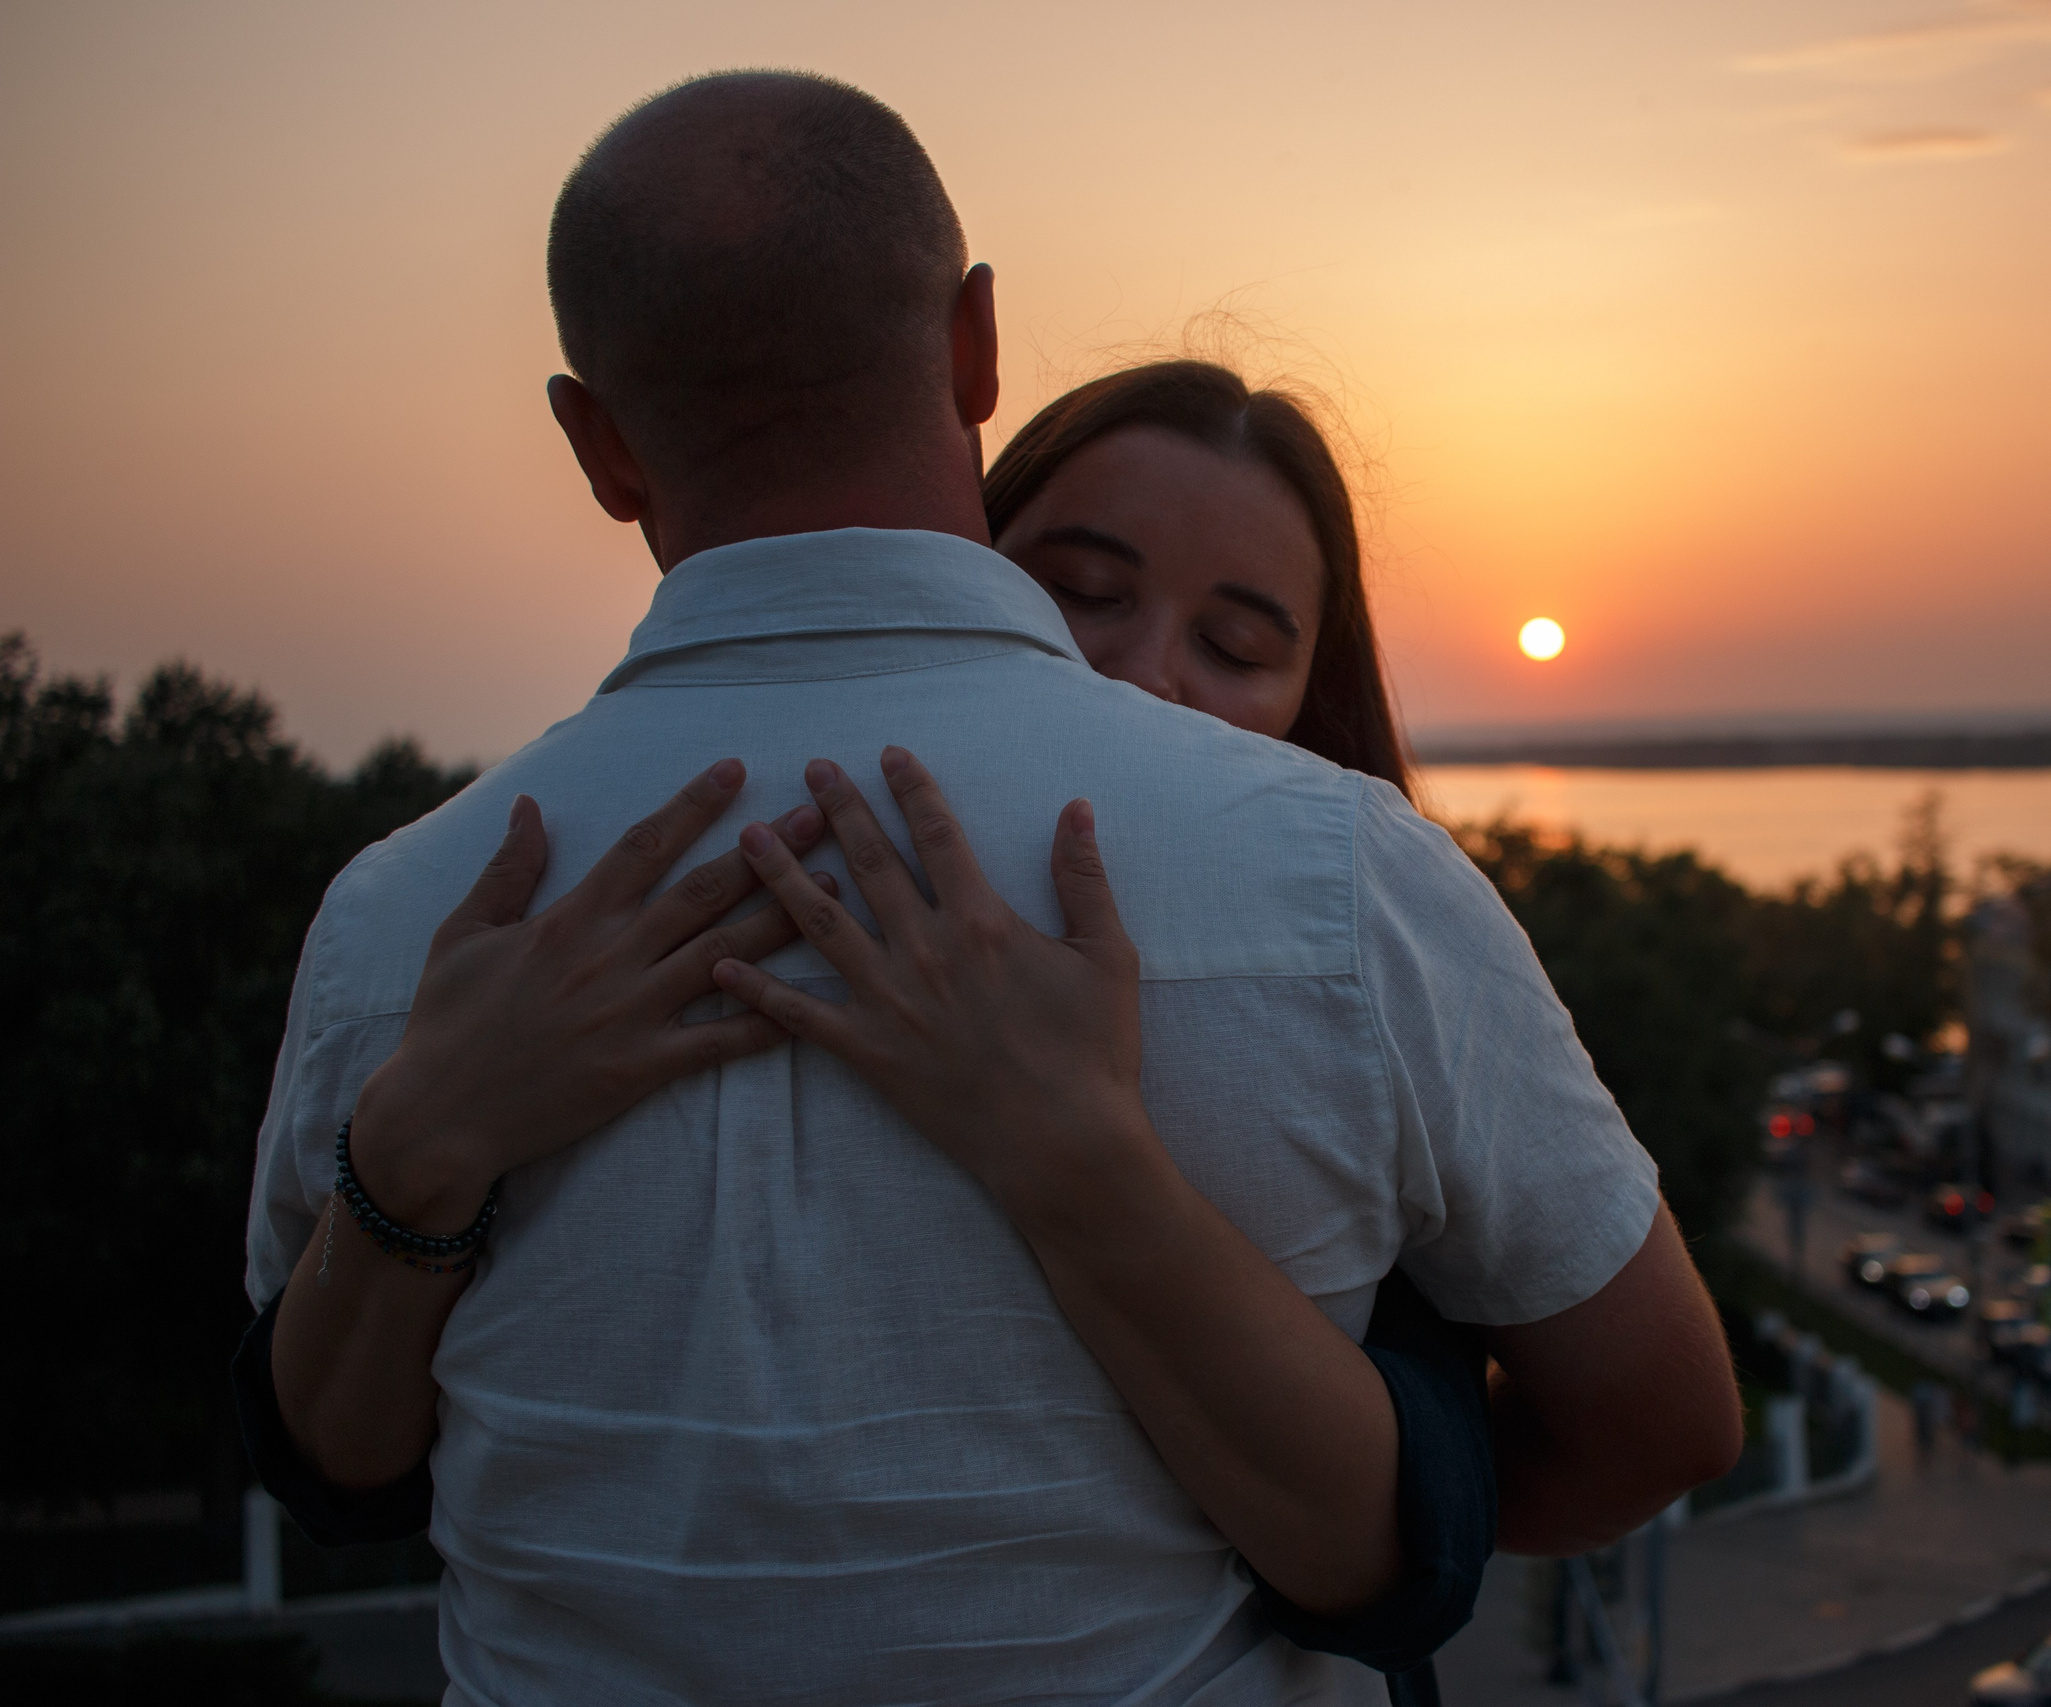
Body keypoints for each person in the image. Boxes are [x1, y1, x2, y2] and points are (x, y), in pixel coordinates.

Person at [243, 70, 1741, 1704]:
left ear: (595, 442)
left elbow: (336, 1457)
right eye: (1092, 590)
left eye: (1241, 642)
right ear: (974, 350)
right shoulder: (1336, 879)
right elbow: (1658, 1418)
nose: (1158, 679)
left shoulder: (400, 923)